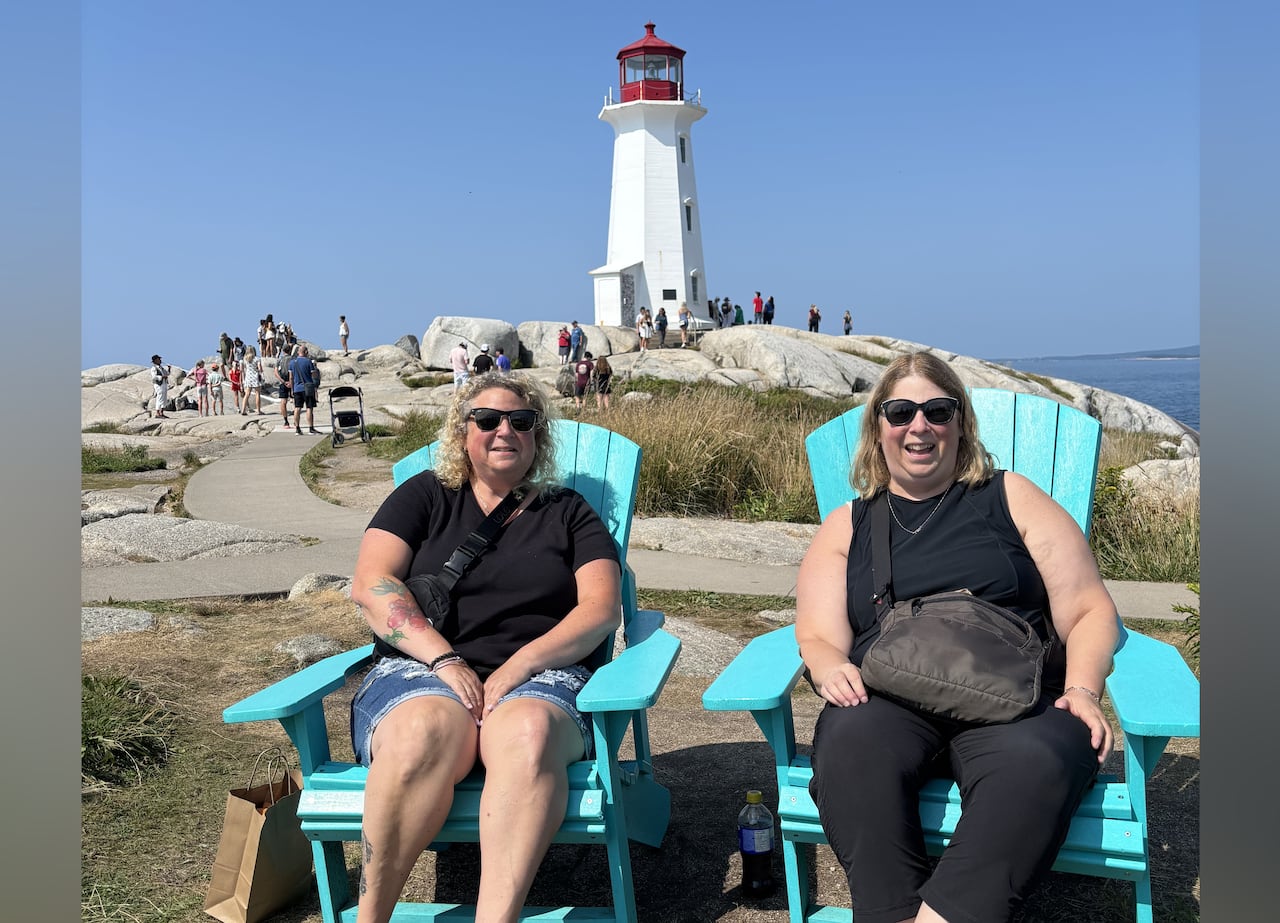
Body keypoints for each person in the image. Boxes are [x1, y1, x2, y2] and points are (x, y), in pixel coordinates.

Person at [795, 352, 1117, 923]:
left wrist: (1085, 690)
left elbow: (1090, 609)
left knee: (1039, 760)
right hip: (893, 700)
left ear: (960, 422)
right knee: (850, 745)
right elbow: (818, 634)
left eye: (937, 411)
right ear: (878, 427)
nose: (919, 426)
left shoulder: (1008, 497)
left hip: (1014, 701)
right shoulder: (849, 524)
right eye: (900, 412)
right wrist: (825, 664)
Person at [348, 372, 621, 923]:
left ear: (537, 436)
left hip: (542, 675)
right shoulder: (425, 495)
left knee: (527, 732)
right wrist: (443, 659)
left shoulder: (568, 512)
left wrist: (522, 664)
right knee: (420, 730)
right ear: (462, 431)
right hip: (421, 667)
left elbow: (599, 609)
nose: (505, 431)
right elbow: (372, 583)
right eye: (488, 419)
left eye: (521, 421)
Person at [289, 345, 322, 435]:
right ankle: (311, 428)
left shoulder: (292, 362)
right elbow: (314, 375)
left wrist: (292, 389)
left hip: (296, 388)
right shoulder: (308, 362)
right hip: (308, 388)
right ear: (306, 352)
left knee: (297, 408)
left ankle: (297, 428)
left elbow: (291, 377)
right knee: (309, 408)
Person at [241, 346, 264, 414]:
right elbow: (260, 369)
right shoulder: (257, 359)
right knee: (257, 393)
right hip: (255, 377)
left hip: (248, 377)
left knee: (247, 394)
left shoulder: (245, 359)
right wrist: (259, 371)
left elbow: (244, 368)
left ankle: (243, 410)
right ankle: (258, 410)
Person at [273, 347, 293, 427]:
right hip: (292, 381)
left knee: (283, 402)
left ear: (283, 351)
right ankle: (296, 421)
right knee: (295, 401)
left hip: (282, 382)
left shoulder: (279, 360)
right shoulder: (293, 359)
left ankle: (286, 421)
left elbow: (276, 372)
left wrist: (282, 381)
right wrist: (291, 382)